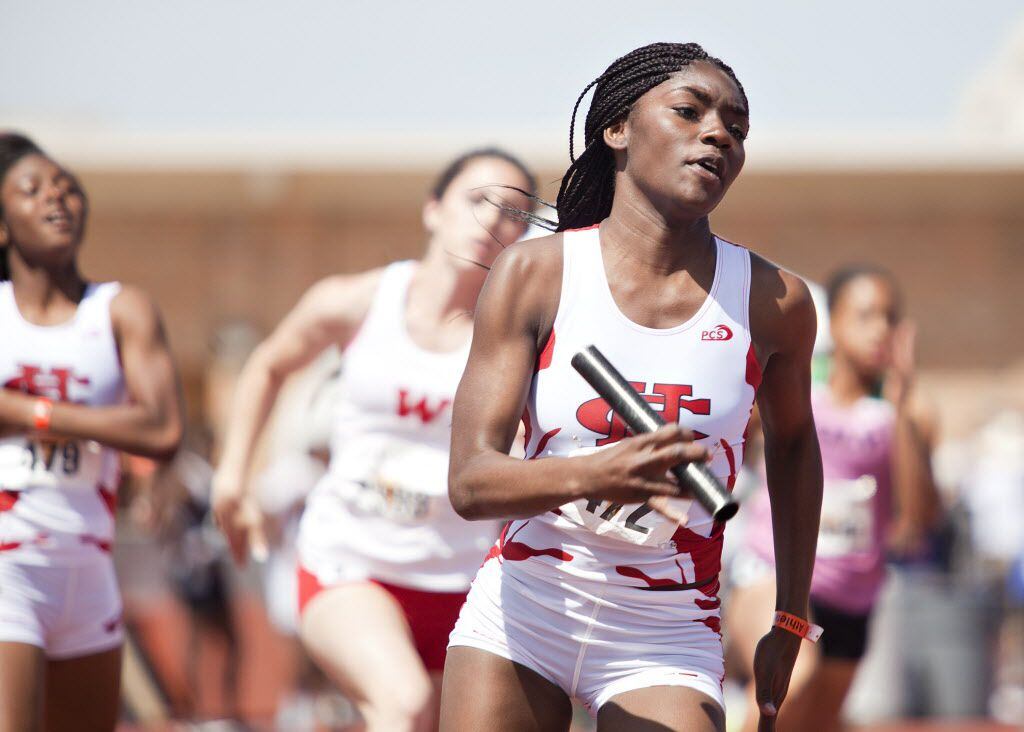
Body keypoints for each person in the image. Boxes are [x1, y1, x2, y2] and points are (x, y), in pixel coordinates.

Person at [441, 42, 823, 732]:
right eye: (689, 110)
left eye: (736, 128)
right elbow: (470, 482)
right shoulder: (536, 274)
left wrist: (790, 617)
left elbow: (796, 448)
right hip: (526, 608)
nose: (717, 134)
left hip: (667, 629)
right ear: (617, 129)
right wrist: (596, 472)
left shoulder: (775, 301)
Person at [211, 148, 536, 732]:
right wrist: (232, 476)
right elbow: (267, 364)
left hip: (469, 583)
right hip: (351, 563)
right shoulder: (358, 300)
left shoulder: (517, 337)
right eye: (476, 200)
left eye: (513, 212)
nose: (492, 221)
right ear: (433, 210)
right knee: (405, 704)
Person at [0, 132, 184, 731]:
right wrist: (106, 426)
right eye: (33, 190)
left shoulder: (119, 309)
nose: (57, 199)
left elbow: (160, 429)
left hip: (88, 568)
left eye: (67, 187)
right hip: (9, 566)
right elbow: (133, 425)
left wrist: (33, 413)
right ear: (3, 226)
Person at [725, 265, 941, 731]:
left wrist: (903, 402)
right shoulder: (797, 393)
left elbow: (921, 516)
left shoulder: (902, 415)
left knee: (815, 723)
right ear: (833, 323)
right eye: (865, 316)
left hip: (854, 599)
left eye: (889, 317)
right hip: (776, 576)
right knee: (791, 682)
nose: (879, 330)